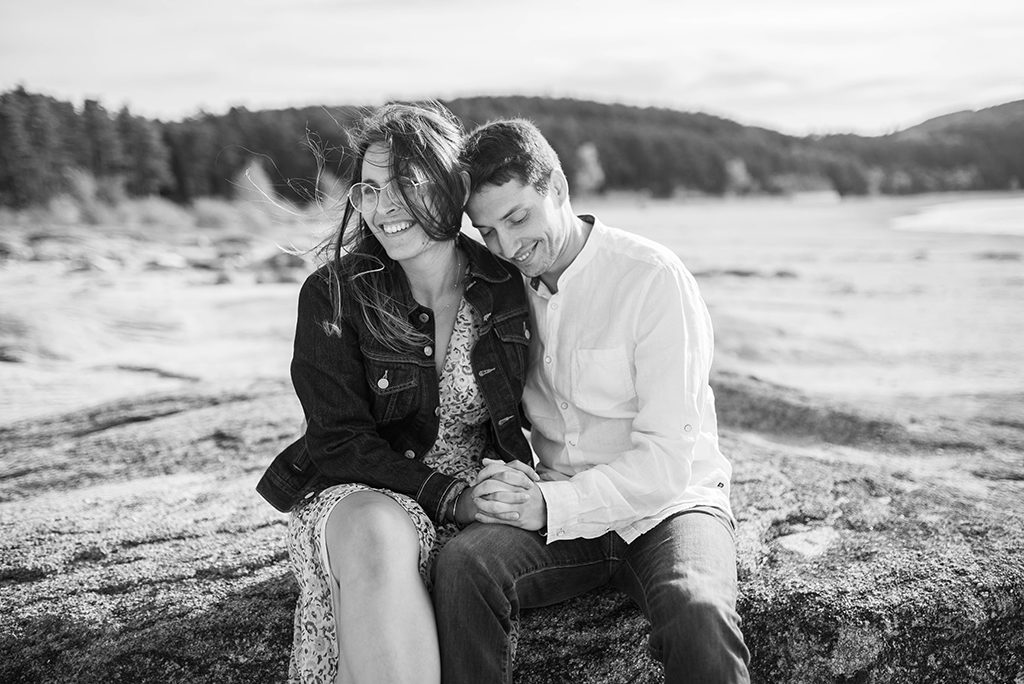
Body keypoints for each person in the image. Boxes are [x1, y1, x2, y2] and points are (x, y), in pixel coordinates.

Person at [432, 119, 751, 683]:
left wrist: (553, 506)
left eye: (517, 218)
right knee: (463, 565)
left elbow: (665, 463)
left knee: (697, 609)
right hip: (558, 509)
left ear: (556, 186)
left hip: (669, 508)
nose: (507, 246)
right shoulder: (502, 289)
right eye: (488, 232)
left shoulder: (652, 279)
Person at [256, 102, 536, 684]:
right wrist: (448, 497)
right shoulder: (334, 292)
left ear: (452, 185)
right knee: (380, 532)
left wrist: (515, 483)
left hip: (470, 499)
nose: (384, 209)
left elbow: (544, 407)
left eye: (405, 184)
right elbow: (338, 441)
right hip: (359, 494)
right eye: (369, 189)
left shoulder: (505, 285)